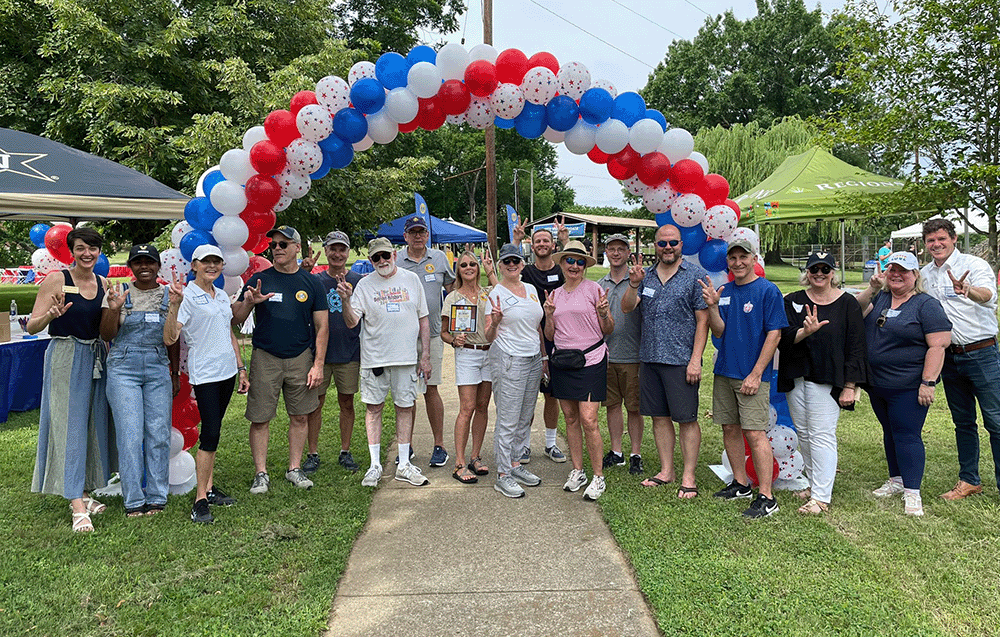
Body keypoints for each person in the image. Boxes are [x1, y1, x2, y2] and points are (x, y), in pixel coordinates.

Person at [28, 227, 114, 532]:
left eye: (92, 248)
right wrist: (50, 315)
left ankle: (84, 490)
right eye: (81, 248)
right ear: (71, 251)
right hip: (65, 355)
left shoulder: (103, 283)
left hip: (95, 359)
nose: (87, 254)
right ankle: (77, 504)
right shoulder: (56, 279)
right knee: (68, 426)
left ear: (99, 251)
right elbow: (31, 327)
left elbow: (107, 327)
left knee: (91, 424)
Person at [230, 226, 328, 494]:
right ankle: (261, 474)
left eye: (283, 244)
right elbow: (235, 319)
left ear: (297, 247)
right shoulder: (260, 279)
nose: (277, 249)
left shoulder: (312, 282)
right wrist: (250, 302)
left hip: (300, 358)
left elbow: (322, 327)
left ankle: (294, 468)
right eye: (273, 245)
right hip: (266, 357)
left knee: (300, 417)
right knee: (260, 418)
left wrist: (318, 364)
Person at [856, 251, 951, 516]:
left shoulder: (926, 305)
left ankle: (913, 493)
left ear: (915, 275)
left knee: (907, 435)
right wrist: (872, 287)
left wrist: (928, 382)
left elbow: (939, 345)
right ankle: (896, 479)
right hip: (878, 384)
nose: (896, 275)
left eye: (903, 271)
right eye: (892, 269)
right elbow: (855, 310)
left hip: (908, 386)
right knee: (890, 431)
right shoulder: (882, 297)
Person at [700, 239, 787, 518]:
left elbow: (775, 334)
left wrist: (756, 373)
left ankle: (766, 496)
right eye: (733, 258)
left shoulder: (767, 291)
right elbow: (720, 330)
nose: (738, 262)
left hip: (752, 375)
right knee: (729, 428)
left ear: (754, 259)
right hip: (725, 370)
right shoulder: (725, 292)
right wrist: (713, 306)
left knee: (755, 433)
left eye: (743, 257)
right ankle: (740, 484)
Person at [622, 225, 709, 498]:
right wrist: (633, 283)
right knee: (659, 418)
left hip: (681, 360)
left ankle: (689, 476)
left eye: (673, 242)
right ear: (655, 246)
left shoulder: (695, 276)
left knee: (686, 419)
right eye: (662, 243)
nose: (668, 247)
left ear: (681, 244)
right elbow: (627, 307)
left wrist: (696, 360)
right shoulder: (644, 276)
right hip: (650, 358)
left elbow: (702, 320)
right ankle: (666, 470)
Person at [165, 245, 249, 524]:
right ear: (195, 266)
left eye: (217, 262)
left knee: (215, 431)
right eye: (206, 262)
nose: (212, 266)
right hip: (206, 375)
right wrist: (174, 305)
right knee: (210, 434)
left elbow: (228, 332)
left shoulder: (221, 295)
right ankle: (200, 499)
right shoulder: (186, 295)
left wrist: (241, 368)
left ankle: (210, 489)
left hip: (227, 373)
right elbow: (170, 337)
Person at [777, 251, 867, 514]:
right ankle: (815, 485)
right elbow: (782, 338)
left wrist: (850, 385)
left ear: (832, 273)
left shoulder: (847, 303)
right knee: (804, 433)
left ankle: (821, 498)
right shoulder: (792, 300)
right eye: (813, 269)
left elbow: (856, 346)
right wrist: (805, 332)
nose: (819, 274)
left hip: (828, 379)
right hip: (798, 375)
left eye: (824, 270)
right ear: (806, 273)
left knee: (822, 435)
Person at [340, 237, 431, 488]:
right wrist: (346, 300)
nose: (382, 261)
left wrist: (425, 356)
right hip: (375, 360)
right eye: (376, 258)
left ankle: (403, 464)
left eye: (385, 256)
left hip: (406, 358)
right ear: (371, 261)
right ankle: (375, 465)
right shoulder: (364, 285)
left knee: (405, 408)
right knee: (374, 409)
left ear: (394, 254)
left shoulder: (411, 280)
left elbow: (423, 319)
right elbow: (351, 322)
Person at [920, 218, 1000, 501]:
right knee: (963, 422)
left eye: (942, 238)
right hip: (949, 359)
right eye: (931, 240)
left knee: (996, 420)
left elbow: (988, 295)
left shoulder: (974, 265)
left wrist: (968, 291)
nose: (937, 244)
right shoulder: (924, 274)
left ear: (953, 238)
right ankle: (969, 480)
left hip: (981, 353)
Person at [100, 244, 178, 517]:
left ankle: (157, 496)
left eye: (150, 262)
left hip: (158, 366)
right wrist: (113, 310)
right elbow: (107, 335)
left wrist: (175, 373)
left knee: (158, 433)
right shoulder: (118, 293)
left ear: (158, 266)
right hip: (124, 367)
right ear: (131, 267)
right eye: (138, 263)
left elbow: (172, 340)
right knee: (130, 434)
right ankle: (133, 499)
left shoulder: (171, 294)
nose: (144, 267)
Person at [544, 240, 614, 501]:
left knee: (589, 419)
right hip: (562, 361)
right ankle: (577, 470)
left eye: (580, 261)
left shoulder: (594, 290)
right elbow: (550, 334)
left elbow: (609, 330)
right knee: (570, 418)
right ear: (561, 263)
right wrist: (549, 316)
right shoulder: (555, 294)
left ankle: (598, 477)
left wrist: (605, 314)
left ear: (586, 265)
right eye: (570, 261)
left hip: (591, 359)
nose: (574, 266)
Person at [486, 243, 546, 498]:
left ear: (523, 263)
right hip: (509, 359)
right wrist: (496, 321)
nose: (512, 265)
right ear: (500, 265)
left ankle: (515, 463)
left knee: (525, 416)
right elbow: (489, 335)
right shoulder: (495, 294)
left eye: (516, 261)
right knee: (508, 419)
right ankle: (502, 474)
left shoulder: (531, 289)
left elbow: (537, 326)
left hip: (533, 358)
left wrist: (543, 357)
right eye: (507, 262)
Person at [396, 215, 455, 467]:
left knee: (432, 389)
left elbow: (452, 289)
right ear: (406, 236)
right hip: (402, 336)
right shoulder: (396, 259)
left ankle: (439, 445)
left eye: (422, 232)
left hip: (432, 334)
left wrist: (457, 321)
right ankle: (406, 446)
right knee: (407, 393)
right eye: (413, 232)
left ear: (427, 235)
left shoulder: (439, 258)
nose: (418, 236)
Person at [305, 231, 363, 474]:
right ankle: (312, 453)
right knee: (315, 403)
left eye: (342, 249)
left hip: (349, 351)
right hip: (320, 354)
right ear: (326, 251)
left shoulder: (359, 280)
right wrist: (305, 271)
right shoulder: (316, 281)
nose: (337, 254)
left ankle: (345, 451)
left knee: (346, 402)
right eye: (333, 249)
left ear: (348, 252)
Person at [512, 220, 570, 464]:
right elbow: (503, 270)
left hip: (560, 339)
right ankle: (523, 446)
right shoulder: (525, 272)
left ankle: (550, 443)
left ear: (552, 244)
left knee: (551, 396)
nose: (542, 244)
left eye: (546, 240)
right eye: (538, 241)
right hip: (528, 339)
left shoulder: (563, 270)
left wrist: (566, 240)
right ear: (532, 246)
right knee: (527, 397)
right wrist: (515, 241)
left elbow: (578, 263)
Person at [441, 250, 494, 484]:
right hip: (467, 354)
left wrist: (491, 270)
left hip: (489, 353)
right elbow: (443, 331)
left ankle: (475, 456)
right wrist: (454, 340)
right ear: (458, 270)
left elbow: (502, 289)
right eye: (464, 265)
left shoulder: (487, 294)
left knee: (483, 406)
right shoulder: (453, 297)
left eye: (473, 264)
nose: (469, 267)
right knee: (467, 407)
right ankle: (459, 463)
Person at [597, 234, 646, 475]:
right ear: (605, 253)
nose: (616, 253)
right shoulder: (599, 284)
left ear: (628, 253)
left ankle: (636, 453)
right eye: (611, 249)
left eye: (621, 249)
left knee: (634, 407)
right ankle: (617, 452)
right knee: (612, 405)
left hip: (634, 354)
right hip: (607, 355)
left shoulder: (639, 280)